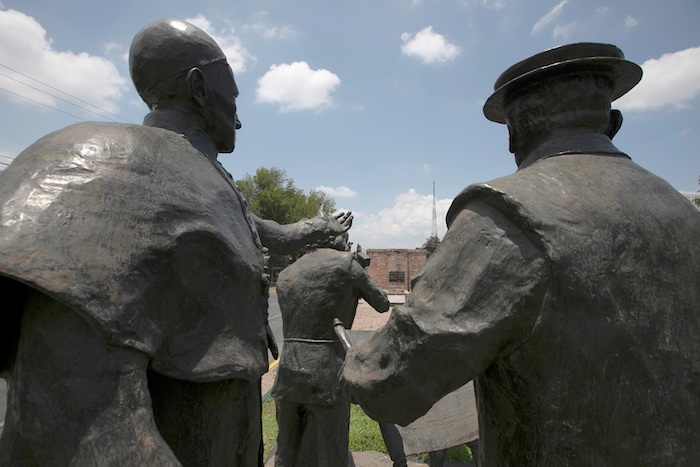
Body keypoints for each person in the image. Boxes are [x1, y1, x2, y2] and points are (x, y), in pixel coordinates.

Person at [0, 18, 349, 466]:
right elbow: (75, 431)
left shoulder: (210, 182)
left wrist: (317, 228)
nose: (239, 117)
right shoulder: (109, 165)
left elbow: (258, 230)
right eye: (234, 97)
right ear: (198, 87)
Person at [343, 43, 700, 466]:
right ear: (613, 123)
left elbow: (392, 382)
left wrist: (349, 355)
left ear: (515, 132)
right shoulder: (682, 212)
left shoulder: (506, 213)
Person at [272, 236, 389, 466]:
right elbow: (382, 302)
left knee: (286, 449)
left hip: (287, 372)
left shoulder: (287, 272)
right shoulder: (346, 265)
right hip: (327, 373)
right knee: (333, 449)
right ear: (341, 240)